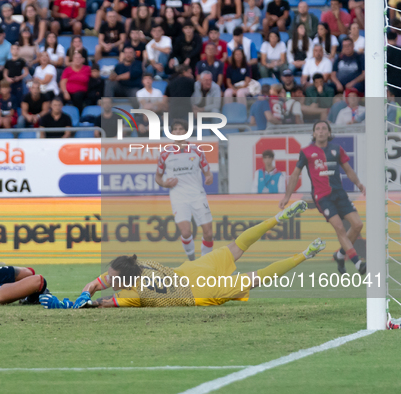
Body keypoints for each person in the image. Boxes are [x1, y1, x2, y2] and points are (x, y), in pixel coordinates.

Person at [42, 201, 324, 308]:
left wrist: (81, 302)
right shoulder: (137, 264)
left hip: (198, 291)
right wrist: (90, 287)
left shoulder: (133, 294)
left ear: (124, 279)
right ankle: (276, 217)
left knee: (256, 278)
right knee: (237, 247)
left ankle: (305, 254)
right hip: (191, 270)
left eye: (113, 278)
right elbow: (101, 281)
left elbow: (102, 301)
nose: (109, 279)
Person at [279, 121, 366, 275]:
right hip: (322, 197)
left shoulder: (336, 149)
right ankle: (358, 263)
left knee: (358, 225)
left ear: (329, 132)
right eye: (317, 129)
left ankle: (340, 255)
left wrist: (358, 183)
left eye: (324, 128)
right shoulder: (306, 152)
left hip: (340, 194)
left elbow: (348, 169)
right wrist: (287, 196)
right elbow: (295, 174)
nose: (320, 131)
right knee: (339, 227)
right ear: (313, 134)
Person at [154, 119, 214, 260]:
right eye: (175, 129)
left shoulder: (197, 151)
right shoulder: (165, 154)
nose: (178, 132)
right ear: (172, 133)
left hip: (197, 195)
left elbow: (208, 173)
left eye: (181, 129)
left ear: (186, 132)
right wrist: (165, 184)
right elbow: (158, 177)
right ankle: (192, 260)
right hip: (178, 196)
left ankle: (206, 263)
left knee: (208, 233)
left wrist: (209, 178)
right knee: (186, 232)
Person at [3, 43, 29, 108]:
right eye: (13, 49)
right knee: (10, 98)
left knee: (19, 98)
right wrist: (7, 78)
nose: (15, 50)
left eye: (16, 49)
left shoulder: (21, 61)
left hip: (18, 83)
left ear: (19, 50)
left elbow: (26, 72)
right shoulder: (8, 62)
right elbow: (5, 72)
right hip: (10, 83)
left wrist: (19, 77)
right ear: (10, 50)